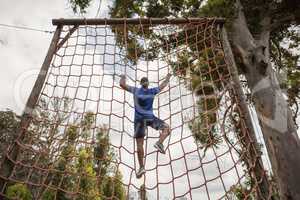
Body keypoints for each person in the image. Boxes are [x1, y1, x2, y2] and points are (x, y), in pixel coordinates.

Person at [119, 74, 172, 178]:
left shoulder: (136, 90)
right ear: (147, 84)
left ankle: (141, 167)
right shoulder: (152, 91)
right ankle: (159, 143)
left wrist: (123, 76)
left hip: (138, 121)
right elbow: (162, 85)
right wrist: (168, 77)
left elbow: (122, 84)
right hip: (150, 118)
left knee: (139, 144)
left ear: (140, 84)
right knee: (167, 128)